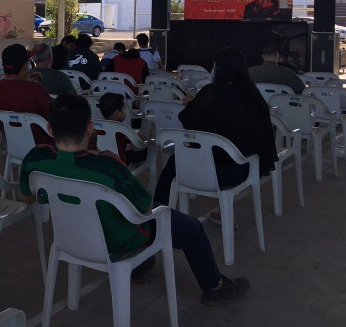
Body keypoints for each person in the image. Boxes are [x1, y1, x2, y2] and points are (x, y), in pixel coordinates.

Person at [19, 92, 250, 306]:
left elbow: (28, 197)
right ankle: (214, 286)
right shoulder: (108, 165)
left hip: (70, 236)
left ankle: (141, 265)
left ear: (50, 128)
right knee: (192, 230)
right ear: (90, 128)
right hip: (118, 240)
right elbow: (145, 208)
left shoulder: (35, 158)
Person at [153, 47, 278, 222]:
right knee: (223, 152)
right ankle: (223, 212)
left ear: (218, 68)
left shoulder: (210, 92)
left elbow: (188, 121)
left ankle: (157, 215)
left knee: (175, 162)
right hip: (244, 170)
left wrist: (191, 103)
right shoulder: (254, 97)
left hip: (203, 169)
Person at [0, 44, 53, 145]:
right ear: (25, 67)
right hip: (42, 145)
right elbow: (52, 117)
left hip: (12, 143)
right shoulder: (36, 90)